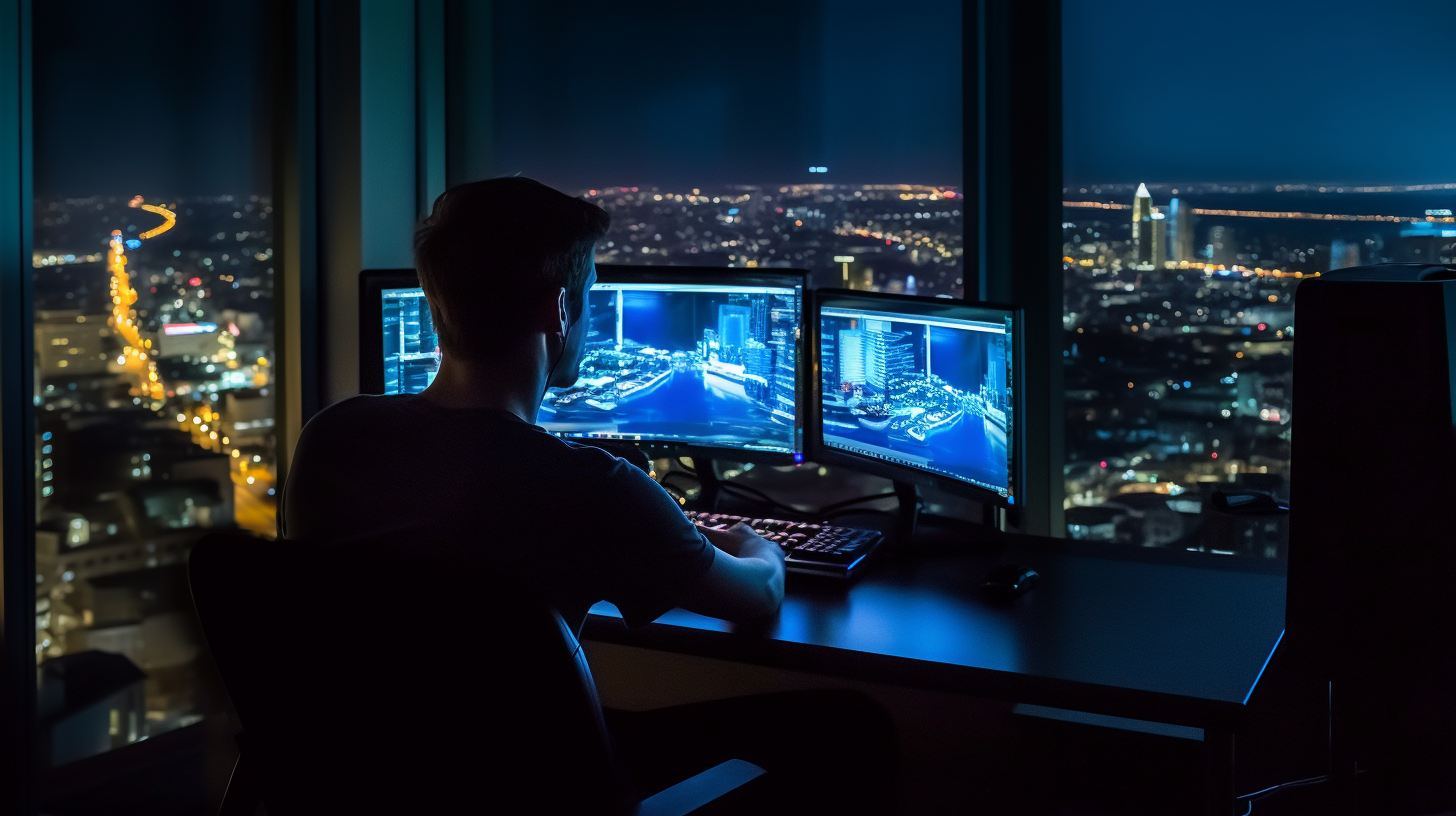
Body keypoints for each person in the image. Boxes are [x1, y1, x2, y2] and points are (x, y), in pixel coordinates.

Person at [281, 177, 895, 814]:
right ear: (558, 310)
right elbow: (755, 597)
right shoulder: (589, 487)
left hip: (378, 780)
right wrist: (756, 545)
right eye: (590, 294)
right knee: (849, 723)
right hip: (531, 784)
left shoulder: (332, 439)